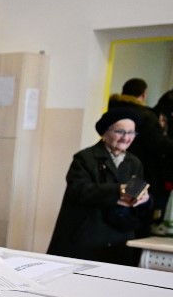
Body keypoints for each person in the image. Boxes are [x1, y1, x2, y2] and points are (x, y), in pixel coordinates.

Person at [47, 108, 151, 265]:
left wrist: (145, 200)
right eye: (121, 132)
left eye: (131, 133)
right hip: (87, 234)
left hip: (120, 237)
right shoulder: (85, 158)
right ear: (105, 132)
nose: (126, 138)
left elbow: (137, 195)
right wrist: (118, 191)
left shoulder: (134, 162)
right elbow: (78, 191)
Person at [110, 78, 173, 225]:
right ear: (143, 94)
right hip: (141, 171)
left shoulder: (111, 109)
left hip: (114, 167)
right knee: (135, 210)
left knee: (118, 206)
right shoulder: (145, 116)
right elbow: (159, 143)